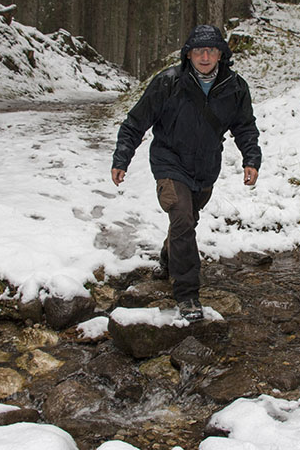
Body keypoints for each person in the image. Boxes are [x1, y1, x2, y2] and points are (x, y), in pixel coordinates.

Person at [111, 25, 262, 322]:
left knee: (187, 220)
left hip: (206, 166)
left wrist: (251, 159)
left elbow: (244, 126)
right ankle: (187, 293)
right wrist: (121, 159)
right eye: (198, 51)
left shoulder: (235, 87)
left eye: (211, 50)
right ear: (188, 54)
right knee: (181, 216)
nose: (205, 56)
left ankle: (169, 258)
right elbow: (135, 123)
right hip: (169, 161)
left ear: (221, 53)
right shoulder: (168, 83)